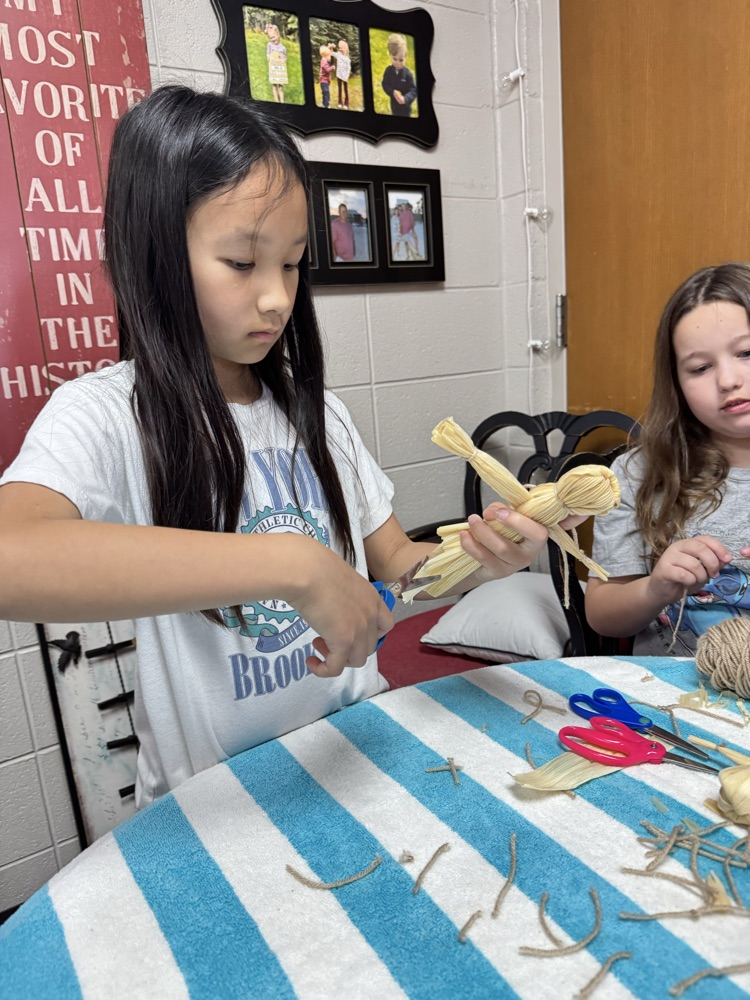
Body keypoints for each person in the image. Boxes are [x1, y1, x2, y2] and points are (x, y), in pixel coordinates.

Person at [0, 86, 578, 809]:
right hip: (217, 802)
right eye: (242, 262)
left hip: (353, 754)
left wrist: (477, 561)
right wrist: (292, 565)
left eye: (293, 263)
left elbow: (397, 567)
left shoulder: (319, 414)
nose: (277, 297)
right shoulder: (108, 413)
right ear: (154, 256)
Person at [586, 262, 750, 655]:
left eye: (747, 352)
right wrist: (656, 588)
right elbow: (602, 614)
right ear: (677, 383)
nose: (728, 380)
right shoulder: (638, 473)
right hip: (670, 686)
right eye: (701, 367)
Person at [381, 33, 417, 117]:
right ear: (390, 55)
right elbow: (385, 84)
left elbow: (413, 90)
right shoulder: (389, 71)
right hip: (394, 108)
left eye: (401, 60)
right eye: (395, 59)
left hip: (406, 110)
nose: (398, 63)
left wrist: (405, 98)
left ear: (406, 57)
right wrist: (392, 91)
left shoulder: (407, 74)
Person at [265, 23, 287, 103]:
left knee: (280, 87)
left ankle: (282, 101)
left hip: (280, 71)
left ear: (278, 35)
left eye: (274, 37)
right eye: (271, 38)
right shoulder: (270, 45)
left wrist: (283, 58)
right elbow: (268, 55)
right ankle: (276, 101)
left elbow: (285, 58)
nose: (273, 39)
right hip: (273, 69)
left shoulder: (283, 48)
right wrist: (270, 58)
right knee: (274, 86)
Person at [334, 39, 351, 109]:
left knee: (345, 90)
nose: (340, 49)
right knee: (340, 89)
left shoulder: (347, 59)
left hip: (345, 77)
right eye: (339, 48)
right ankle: (340, 102)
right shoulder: (338, 55)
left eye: (341, 48)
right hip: (339, 75)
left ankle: (346, 103)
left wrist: (347, 76)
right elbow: (332, 53)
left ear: (345, 49)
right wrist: (331, 48)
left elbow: (348, 68)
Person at [318, 44, 333, 109]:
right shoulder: (323, 61)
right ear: (325, 56)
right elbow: (327, 70)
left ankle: (324, 104)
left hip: (325, 80)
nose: (330, 57)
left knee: (325, 92)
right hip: (323, 81)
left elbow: (326, 52)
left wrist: (330, 48)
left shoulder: (324, 60)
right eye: (329, 56)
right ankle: (326, 105)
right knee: (326, 92)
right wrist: (332, 67)